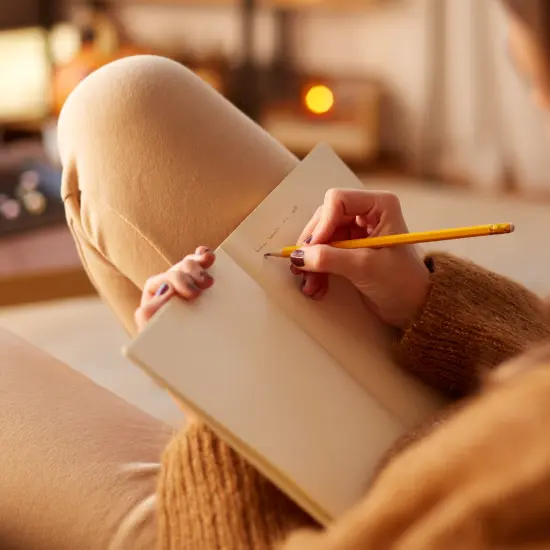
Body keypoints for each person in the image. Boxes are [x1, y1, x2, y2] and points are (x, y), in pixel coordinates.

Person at [1, 1, 549, 549]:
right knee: (122, 102)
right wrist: (426, 301)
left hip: (319, 526)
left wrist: (218, 411)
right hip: (465, 415)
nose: (525, 78)